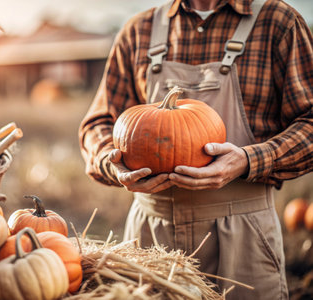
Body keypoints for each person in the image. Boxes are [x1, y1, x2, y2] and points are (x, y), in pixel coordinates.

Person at [78, 0, 313, 299]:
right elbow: (97, 123)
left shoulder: (278, 23)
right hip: (150, 237)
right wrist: (112, 164)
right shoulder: (138, 30)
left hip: (243, 236)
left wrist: (248, 159)